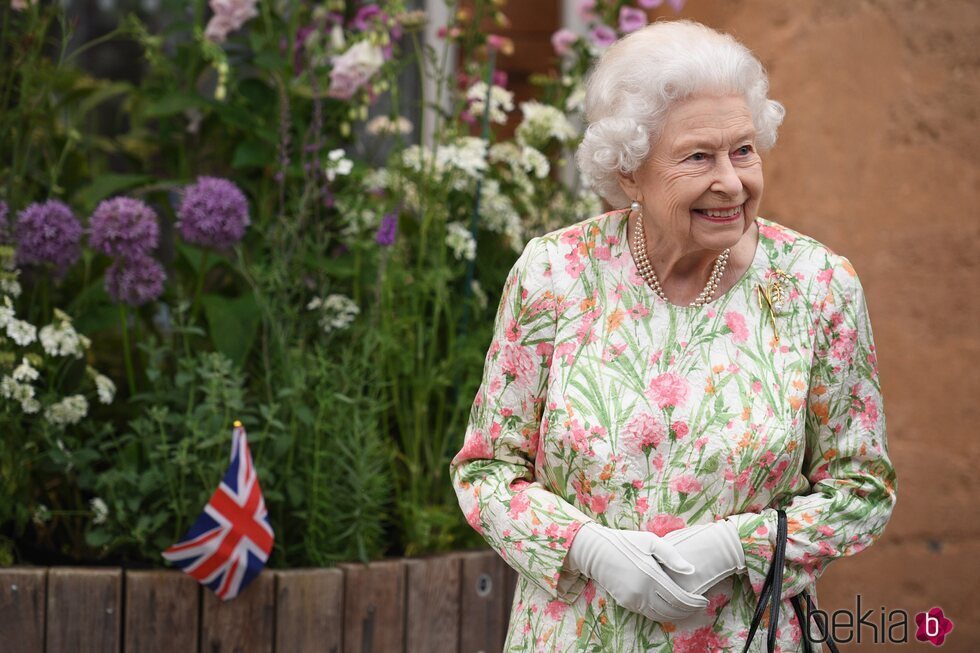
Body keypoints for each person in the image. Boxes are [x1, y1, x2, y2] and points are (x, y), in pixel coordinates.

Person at [450, 19, 897, 652]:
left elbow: (863, 489)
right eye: (698, 157)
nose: (732, 182)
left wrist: (736, 546)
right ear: (629, 171)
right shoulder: (554, 274)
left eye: (743, 150)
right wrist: (588, 548)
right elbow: (488, 471)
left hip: (748, 635)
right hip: (578, 634)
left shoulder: (816, 285)